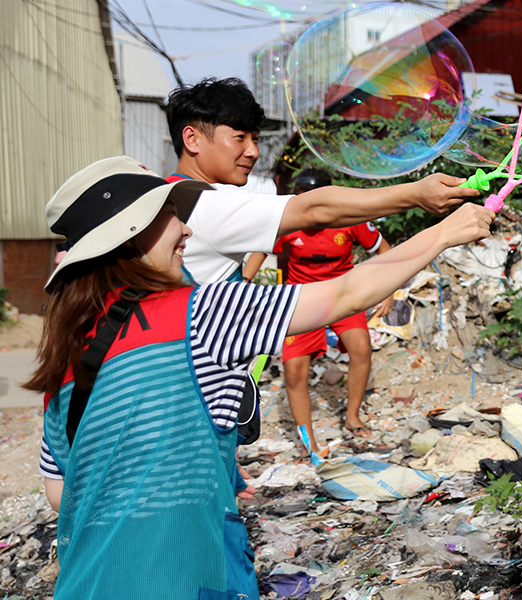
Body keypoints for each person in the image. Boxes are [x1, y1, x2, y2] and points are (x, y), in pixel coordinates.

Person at [26, 156, 494, 599]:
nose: (186, 228)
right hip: (177, 580)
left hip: (85, 583)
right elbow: (346, 294)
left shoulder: (66, 358)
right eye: (169, 215)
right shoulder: (203, 312)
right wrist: (443, 233)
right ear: (129, 236)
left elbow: (61, 492)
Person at [164, 77, 480, 285]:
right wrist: (417, 194)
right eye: (240, 138)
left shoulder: (170, 197)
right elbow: (314, 209)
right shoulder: (209, 205)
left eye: (256, 139)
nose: (254, 152)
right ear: (192, 139)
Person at [241, 169, 391, 456]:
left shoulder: (350, 219)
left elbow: (384, 250)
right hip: (301, 299)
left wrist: (389, 292)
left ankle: (352, 416)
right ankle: (309, 443)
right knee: (294, 370)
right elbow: (260, 251)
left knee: (361, 347)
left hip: (343, 294)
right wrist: (245, 282)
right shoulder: (289, 223)